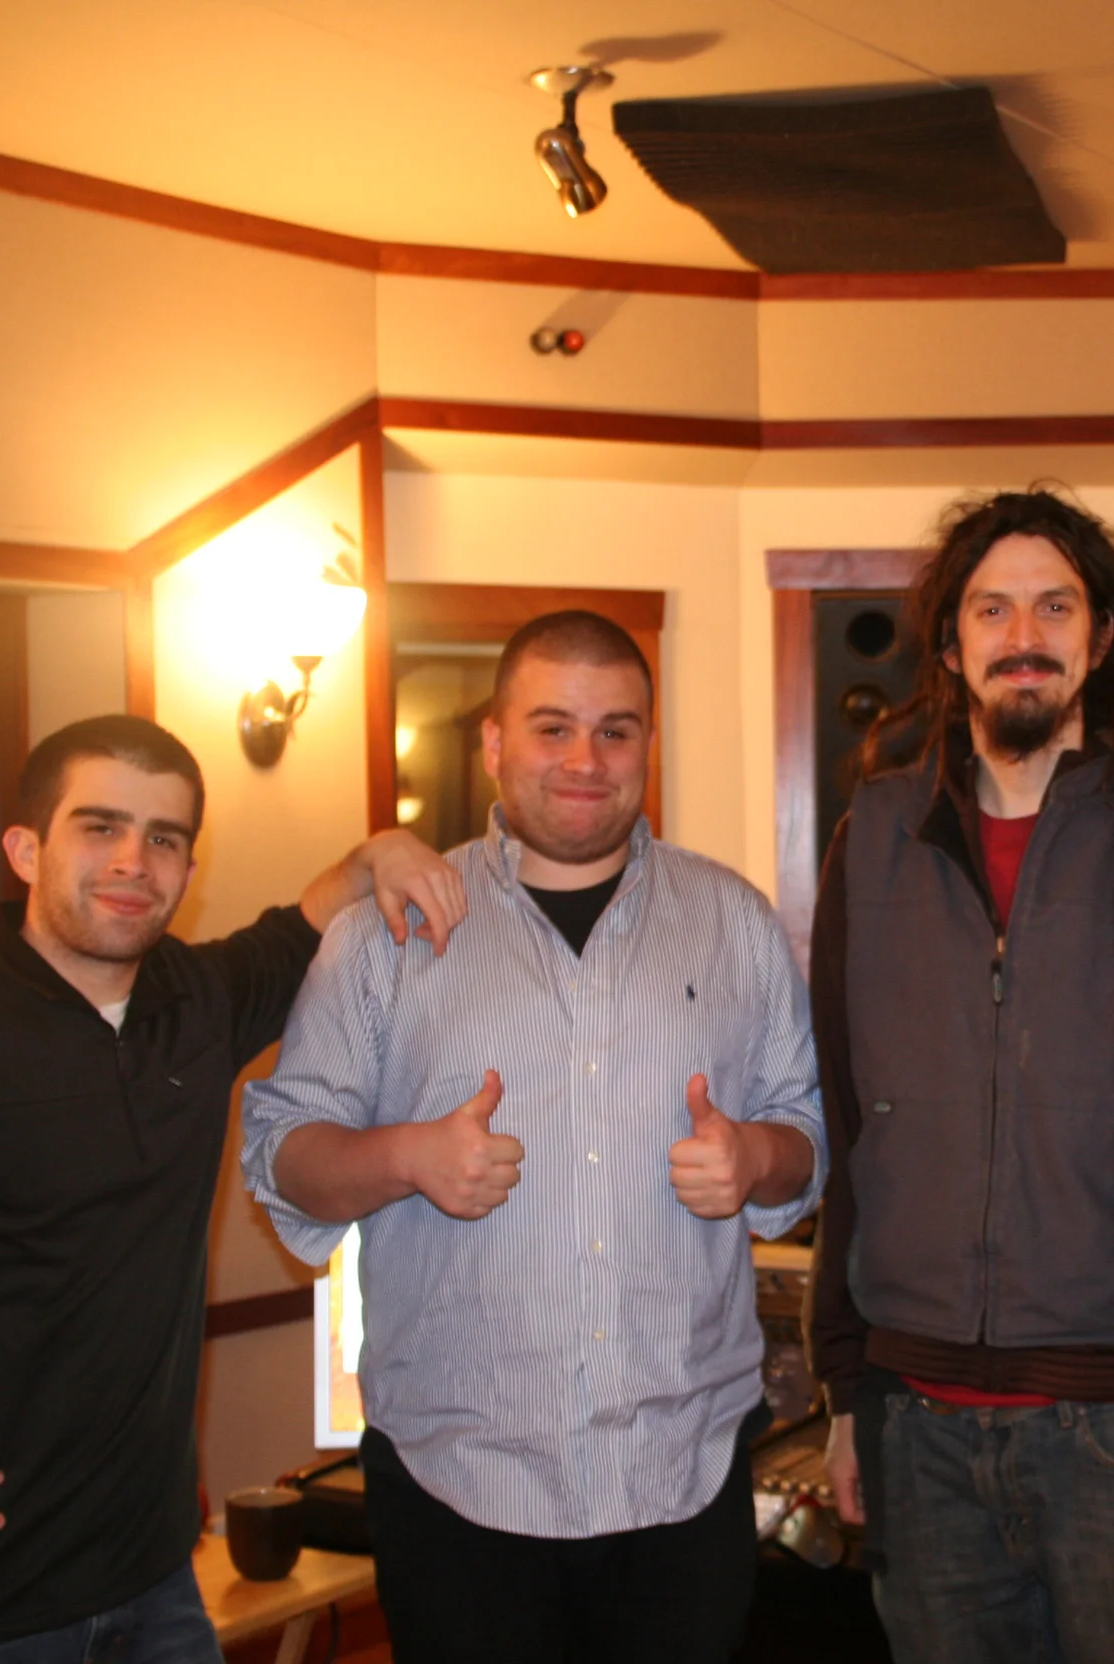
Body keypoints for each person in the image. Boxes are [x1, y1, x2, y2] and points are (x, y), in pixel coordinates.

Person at [0, 714, 464, 1662]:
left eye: (164, 838)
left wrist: (379, 852)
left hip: (154, 1592)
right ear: (26, 850)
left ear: (188, 869)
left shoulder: (196, 1003)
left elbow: (300, 925)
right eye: (99, 827)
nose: (133, 862)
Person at [240, 609, 823, 1664]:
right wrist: (406, 1156)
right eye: (552, 727)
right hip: (455, 1480)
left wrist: (755, 1156)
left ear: (648, 744)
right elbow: (284, 1156)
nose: (585, 760)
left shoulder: (735, 920)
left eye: (615, 730)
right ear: (494, 742)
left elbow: (807, 1140)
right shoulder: (384, 934)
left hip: (683, 1471)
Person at [805, 489, 1114, 1664]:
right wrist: (847, 1392)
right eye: (994, 607)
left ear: (1102, 636)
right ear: (950, 643)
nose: (1025, 633)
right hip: (917, 1431)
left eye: (1056, 606)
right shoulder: (872, 841)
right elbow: (849, 1129)